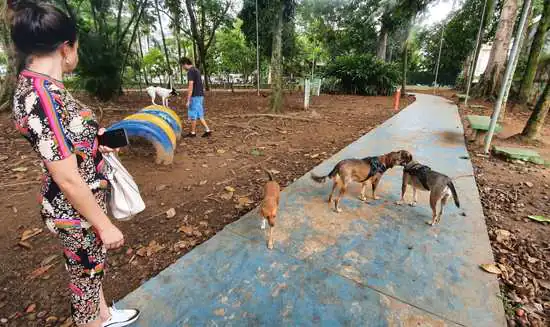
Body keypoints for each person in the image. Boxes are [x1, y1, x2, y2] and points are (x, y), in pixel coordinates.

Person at [9, 2, 140, 326]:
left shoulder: (42, 88)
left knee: (87, 269)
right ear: (66, 48)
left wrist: (95, 143)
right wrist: (104, 225)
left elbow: (63, 142)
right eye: (77, 47)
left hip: (76, 203)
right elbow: (66, 178)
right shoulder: (41, 97)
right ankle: (93, 321)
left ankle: (105, 315)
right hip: (75, 209)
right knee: (85, 278)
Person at [179, 57, 212, 137]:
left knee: (193, 114)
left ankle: (193, 133)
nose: (182, 68)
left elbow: (190, 86)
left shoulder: (190, 71)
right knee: (199, 114)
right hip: (200, 95)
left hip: (195, 96)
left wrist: (188, 100)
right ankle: (207, 130)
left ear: (185, 64)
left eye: (182, 66)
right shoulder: (196, 70)